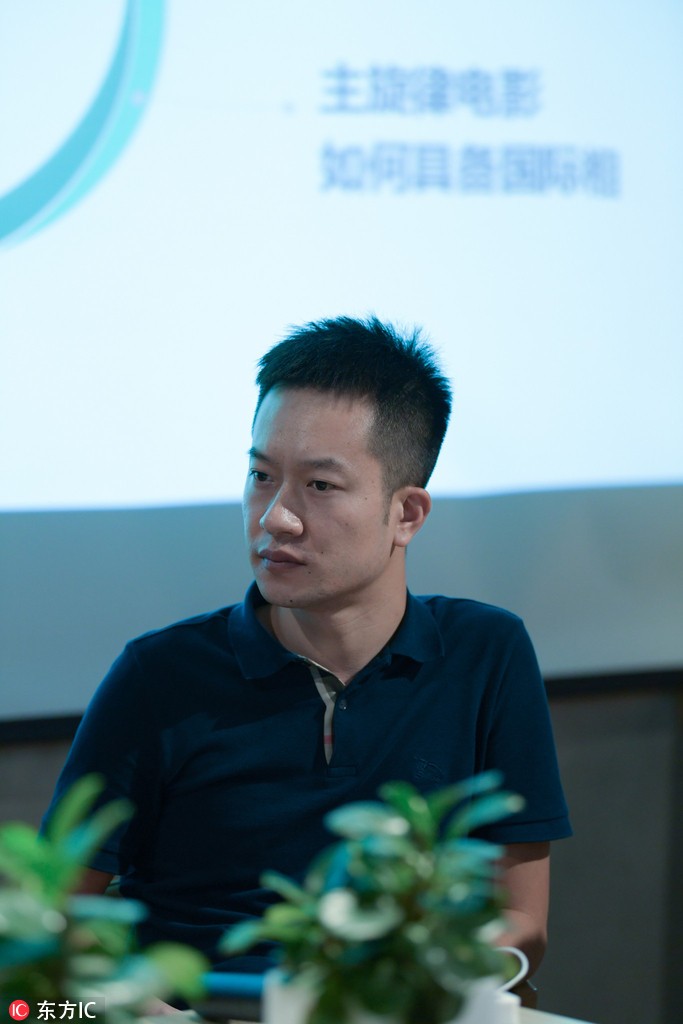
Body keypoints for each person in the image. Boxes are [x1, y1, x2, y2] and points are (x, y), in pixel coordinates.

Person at [44, 315, 571, 985]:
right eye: (261, 475)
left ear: (406, 514)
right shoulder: (158, 675)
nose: (275, 518)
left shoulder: (485, 652)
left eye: (319, 486)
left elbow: (520, 922)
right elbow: (50, 923)